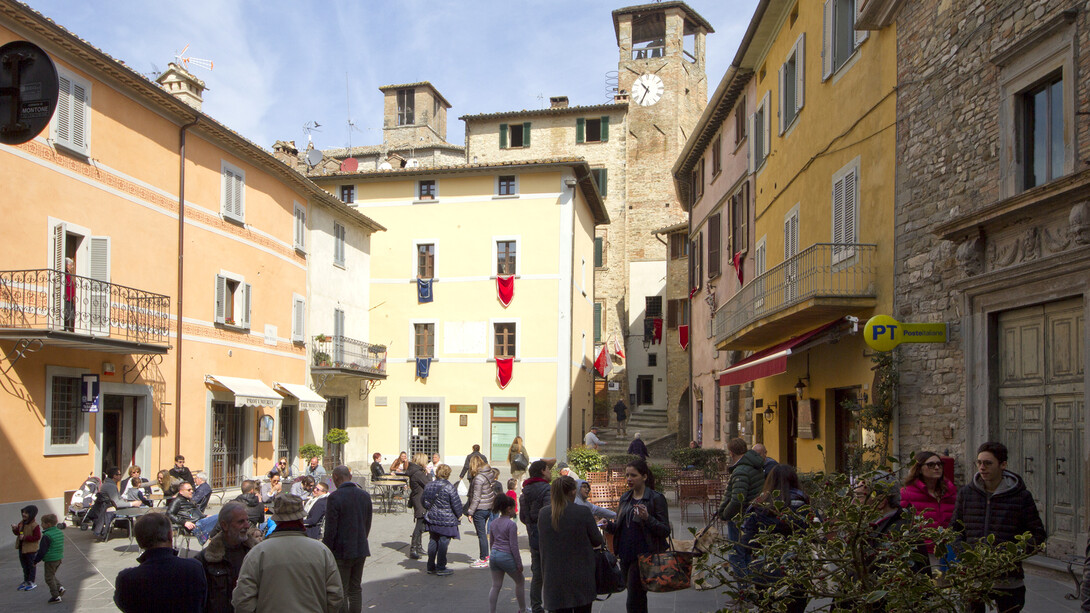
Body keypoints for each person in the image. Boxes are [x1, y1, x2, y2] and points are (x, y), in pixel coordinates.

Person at [952, 441, 1046, 613]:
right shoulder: (966, 493)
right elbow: (956, 530)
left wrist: (1011, 555)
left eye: (988, 463)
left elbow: (1038, 534)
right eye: (979, 463)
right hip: (974, 576)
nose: (982, 468)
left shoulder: (1020, 496)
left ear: (1003, 465)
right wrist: (965, 555)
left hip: (1008, 578)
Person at [232, 493, 343, 613]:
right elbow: (335, 596)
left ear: (277, 520)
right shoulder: (322, 551)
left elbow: (243, 599)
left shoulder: (258, 553)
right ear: (301, 519)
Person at [740, 464, 810, 613]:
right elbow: (815, 536)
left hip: (764, 571)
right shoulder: (805, 507)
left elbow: (746, 543)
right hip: (796, 571)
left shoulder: (757, 507)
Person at [604, 459, 670, 613]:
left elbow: (665, 530)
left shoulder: (655, 498)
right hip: (625, 554)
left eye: (633, 475)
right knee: (638, 597)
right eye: (627, 475)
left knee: (633, 598)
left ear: (644, 477)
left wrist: (648, 518)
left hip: (644, 556)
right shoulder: (625, 498)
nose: (629, 479)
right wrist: (609, 525)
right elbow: (622, 527)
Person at [114, 513, 206, 613]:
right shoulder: (194, 568)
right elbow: (203, 602)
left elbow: (124, 604)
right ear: (169, 536)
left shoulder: (127, 579)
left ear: (139, 542)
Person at [538, 476, 604, 613]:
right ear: (573, 492)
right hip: (581, 576)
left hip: (554, 577)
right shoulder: (582, 512)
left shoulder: (544, 514)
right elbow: (597, 540)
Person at [323, 465, 372, 613]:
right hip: (360, 547)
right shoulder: (364, 495)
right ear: (350, 477)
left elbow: (330, 528)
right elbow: (367, 523)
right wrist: (362, 538)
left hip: (342, 550)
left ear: (335, 478)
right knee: (355, 588)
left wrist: (327, 550)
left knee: (342, 589)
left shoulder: (334, 497)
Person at [195, 501, 258, 613]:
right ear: (224, 525)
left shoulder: (255, 553)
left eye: (247, 521)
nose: (247, 526)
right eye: (241, 522)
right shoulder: (205, 559)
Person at [900, 451, 957, 567]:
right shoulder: (907, 493)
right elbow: (901, 522)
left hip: (948, 549)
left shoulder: (950, 491)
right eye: (931, 465)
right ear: (919, 468)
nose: (936, 467)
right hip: (922, 551)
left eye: (939, 464)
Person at [717, 438, 766, 573]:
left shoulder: (741, 470)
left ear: (731, 453)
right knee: (749, 552)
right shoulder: (755, 465)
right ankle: (753, 583)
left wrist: (725, 514)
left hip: (740, 516)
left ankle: (744, 588)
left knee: (737, 554)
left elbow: (737, 499)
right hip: (754, 514)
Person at [519, 458, 555, 613]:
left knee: (537, 573)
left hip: (533, 535)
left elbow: (522, 517)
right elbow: (548, 513)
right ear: (542, 471)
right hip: (548, 537)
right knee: (551, 572)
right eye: (548, 469)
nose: (550, 471)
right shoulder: (547, 489)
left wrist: (530, 524)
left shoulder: (525, 490)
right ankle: (552, 604)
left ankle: (536, 606)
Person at [487, 495, 526, 613]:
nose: (515, 511)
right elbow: (514, 546)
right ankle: (522, 609)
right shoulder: (511, 525)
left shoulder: (493, 523)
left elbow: (492, 542)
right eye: (514, 508)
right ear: (509, 509)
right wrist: (518, 563)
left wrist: (491, 555)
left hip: (494, 555)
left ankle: (491, 611)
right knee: (520, 581)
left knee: (496, 585)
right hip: (506, 555)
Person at [423, 464, 463, 576]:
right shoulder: (449, 487)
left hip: (432, 518)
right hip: (446, 519)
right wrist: (459, 515)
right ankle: (441, 566)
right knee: (443, 542)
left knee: (433, 540)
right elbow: (456, 504)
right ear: (448, 474)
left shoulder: (429, 485)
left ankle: (430, 566)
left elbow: (424, 501)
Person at [466, 456, 499, 568]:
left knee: (482, 535)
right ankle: (488, 556)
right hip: (489, 505)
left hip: (480, 508)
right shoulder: (489, 472)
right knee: (485, 534)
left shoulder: (478, 478)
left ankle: (484, 558)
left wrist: (470, 511)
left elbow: (476, 497)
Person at [94, 466, 142, 541]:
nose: (120, 476)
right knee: (140, 510)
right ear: (115, 476)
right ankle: (141, 532)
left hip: (107, 509)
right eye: (119, 474)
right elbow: (118, 503)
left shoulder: (108, 484)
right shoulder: (111, 486)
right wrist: (132, 504)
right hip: (112, 511)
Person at [33, 514, 64, 603]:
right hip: (58, 558)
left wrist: (35, 561)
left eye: (43, 523)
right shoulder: (59, 532)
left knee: (48, 578)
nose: (41, 525)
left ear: (48, 524)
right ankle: (60, 587)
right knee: (52, 575)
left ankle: (56, 596)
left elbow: (42, 551)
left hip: (50, 559)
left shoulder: (47, 535)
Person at [406, 452, 431, 560]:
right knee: (419, 524)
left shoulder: (415, 471)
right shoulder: (418, 473)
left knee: (421, 523)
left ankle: (419, 546)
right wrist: (429, 474)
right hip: (420, 500)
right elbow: (428, 484)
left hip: (417, 498)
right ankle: (414, 548)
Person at [12, 504, 41, 591]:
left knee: (31, 566)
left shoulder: (35, 525)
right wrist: (14, 529)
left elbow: (37, 537)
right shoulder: (21, 523)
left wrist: (25, 538)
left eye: (26, 513)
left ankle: (31, 581)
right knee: (24, 566)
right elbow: (18, 533)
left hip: (30, 550)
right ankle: (26, 581)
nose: (24, 514)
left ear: (31, 514)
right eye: (23, 512)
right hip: (22, 548)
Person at [63, 257, 76, 331]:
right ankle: (65, 327)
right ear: (66, 265)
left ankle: (69, 327)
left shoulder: (68, 273)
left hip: (70, 297)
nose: (72, 267)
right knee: (67, 312)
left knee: (70, 312)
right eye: (71, 265)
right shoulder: (65, 273)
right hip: (67, 296)